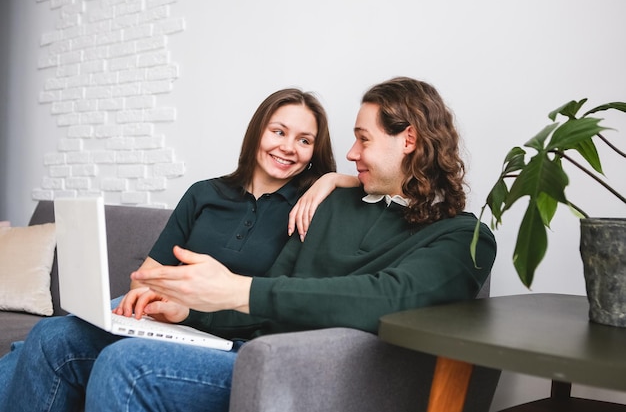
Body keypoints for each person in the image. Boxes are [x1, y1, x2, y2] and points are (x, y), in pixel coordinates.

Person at [2, 77, 497, 412]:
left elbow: (391, 296)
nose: (351, 154)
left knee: (126, 364)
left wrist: (238, 290)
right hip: (242, 345)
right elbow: (274, 295)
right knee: (55, 338)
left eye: (363, 140)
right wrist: (189, 313)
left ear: (407, 140)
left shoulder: (463, 238)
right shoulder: (329, 205)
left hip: (294, 367)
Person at [0, 87, 353, 411]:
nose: (289, 147)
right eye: (279, 131)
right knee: (47, 336)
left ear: (313, 154)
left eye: (304, 140)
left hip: (227, 337)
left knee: (40, 350)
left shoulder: (310, 207)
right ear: (257, 132)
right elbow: (146, 277)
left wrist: (331, 178)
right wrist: (148, 303)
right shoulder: (205, 193)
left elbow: (378, 183)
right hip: (169, 321)